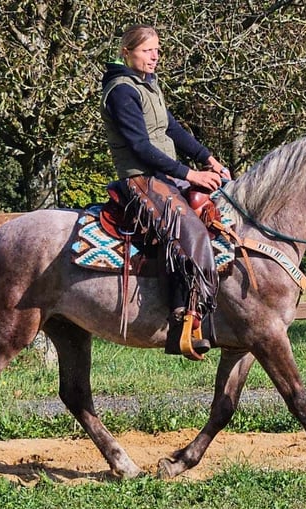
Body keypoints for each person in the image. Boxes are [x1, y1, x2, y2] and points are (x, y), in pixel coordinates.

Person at [100, 24, 228, 360]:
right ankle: (185, 319)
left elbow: (171, 127)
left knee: (219, 211)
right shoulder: (121, 91)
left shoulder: (148, 86)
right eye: (147, 50)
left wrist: (208, 158)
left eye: (157, 49)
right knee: (192, 232)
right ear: (126, 52)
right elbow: (140, 147)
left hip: (163, 175)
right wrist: (191, 174)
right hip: (141, 179)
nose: (155, 56)